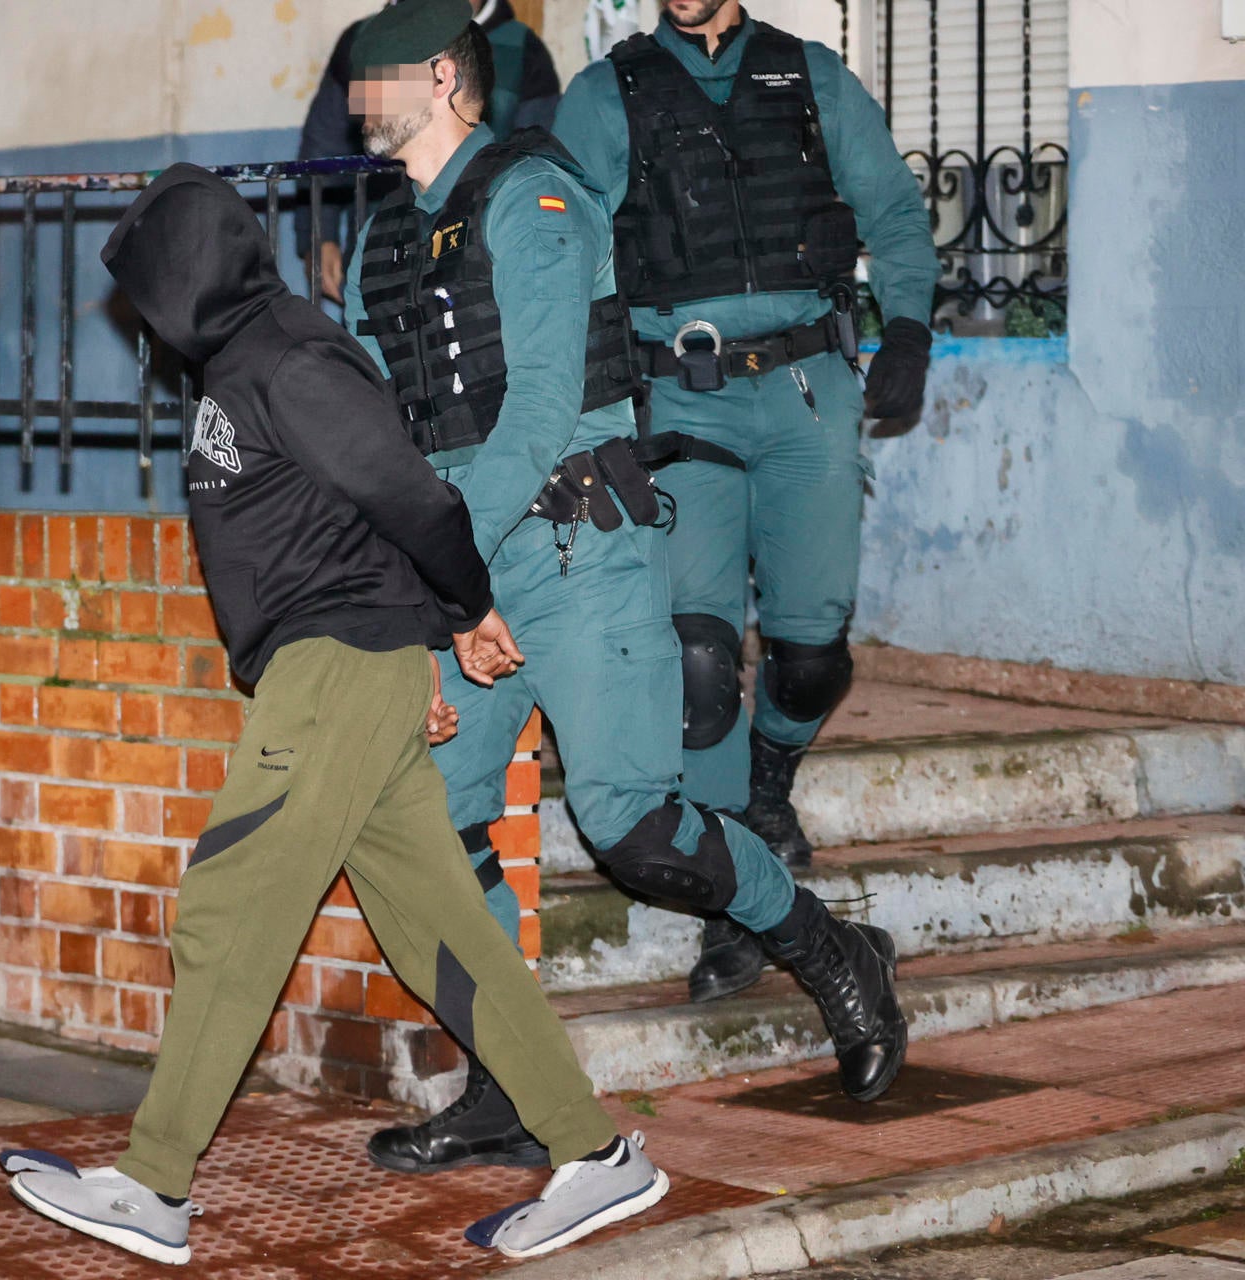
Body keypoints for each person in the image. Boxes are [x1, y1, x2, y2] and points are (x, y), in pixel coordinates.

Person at [0, 162, 671, 1266]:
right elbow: (342, 517)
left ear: (188, 272)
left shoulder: (289, 354)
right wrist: (421, 646)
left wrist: (455, 613)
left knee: (229, 901)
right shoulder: (238, 362)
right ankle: (596, 1153)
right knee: (444, 936)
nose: (141, 314)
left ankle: (157, 1180)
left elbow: (406, 493)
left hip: (335, 668)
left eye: (147, 286)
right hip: (349, 667)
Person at [340, 0, 908, 1174]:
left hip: (568, 555)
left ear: (443, 77)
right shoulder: (386, 235)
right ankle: (507, 1080)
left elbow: (545, 407)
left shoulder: (535, 197)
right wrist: (416, 586)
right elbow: (374, 421)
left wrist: (446, 567)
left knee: (633, 826)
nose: (356, 99)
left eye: (375, 77)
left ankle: (832, 949)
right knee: (428, 827)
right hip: (461, 571)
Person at [552, 0, 940, 1002]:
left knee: (811, 652)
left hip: (808, 387)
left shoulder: (810, 77)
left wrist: (907, 331)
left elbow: (894, 210)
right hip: (678, 397)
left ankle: (772, 776)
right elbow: (556, 258)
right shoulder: (604, 97)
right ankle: (736, 899)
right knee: (700, 663)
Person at [297, 0, 561, 302]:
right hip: (379, 242)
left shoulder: (522, 46)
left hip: (477, 247)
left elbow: (537, 147)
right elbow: (323, 144)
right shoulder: (368, 39)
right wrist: (318, 236)